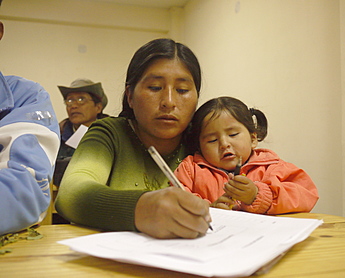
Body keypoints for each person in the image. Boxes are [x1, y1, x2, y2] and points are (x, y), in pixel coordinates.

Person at [55, 38, 211, 239]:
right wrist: (142, 208)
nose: (169, 102)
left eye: (182, 90)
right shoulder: (110, 134)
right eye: (155, 87)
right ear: (130, 95)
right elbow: (71, 193)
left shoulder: (205, 141)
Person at [174, 96, 319, 214]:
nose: (224, 144)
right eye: (212, 140)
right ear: (199, 146)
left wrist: (258, 195)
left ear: (253, 139)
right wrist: (209, 210)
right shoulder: (190, 169)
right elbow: (177, 200)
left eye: (233, 134)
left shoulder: (272, 167)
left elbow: (307, 195)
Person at [0, 12, 60, 234]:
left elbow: (27, 186)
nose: (73, 105)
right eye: (71, 99)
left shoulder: (25, 97)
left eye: (81, 99)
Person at [56, 78, 109, 160]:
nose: (74, 106)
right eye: (69, 101)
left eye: (81, 99)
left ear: (98, 107)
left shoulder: (112, 134)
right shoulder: (57, 136)